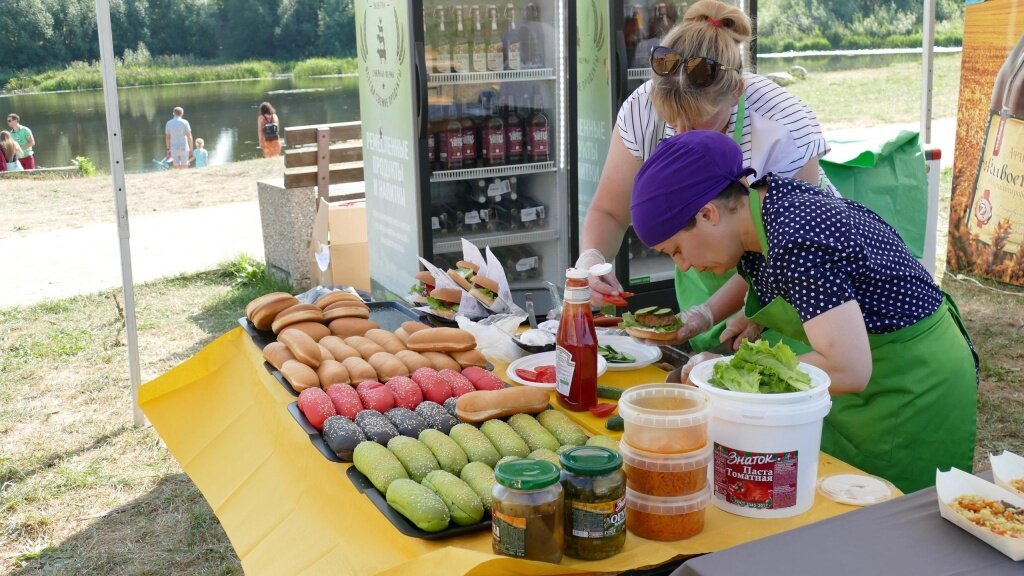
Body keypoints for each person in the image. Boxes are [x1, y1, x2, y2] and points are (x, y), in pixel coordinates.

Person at [630, 129, 978, 493]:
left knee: (891, 525)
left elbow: (848, 367)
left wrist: (726, 372)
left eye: (676, 250)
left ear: (708, 213)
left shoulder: (797, 240)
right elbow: (798, 281)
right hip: (866, 380)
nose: (683, 266)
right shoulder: (762, 209)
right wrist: (749, 318)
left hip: (910, 384)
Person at [576, 0, 834, 353]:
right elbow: (610, 211)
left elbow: (790, 247)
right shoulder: (642, 108)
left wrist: (725, 312)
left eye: (698, 121)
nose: (682, 134)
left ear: (737, 93)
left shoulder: (784, 124)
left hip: (792, 280)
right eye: (672, 120)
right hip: (702, 256)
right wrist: (591, 260)